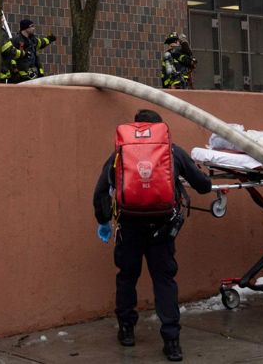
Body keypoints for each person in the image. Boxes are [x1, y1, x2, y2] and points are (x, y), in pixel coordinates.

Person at [93, 110, 211, 361]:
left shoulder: (120, 153)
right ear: (161, 130)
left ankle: (126, 330)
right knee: (164, 281)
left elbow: (101, 191)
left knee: (127, 277)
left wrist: (103, 221)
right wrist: (204, 177)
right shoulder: (172, 151)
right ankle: (172, 341)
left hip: (129, 226)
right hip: (162, 228)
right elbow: (203, 186)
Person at [10, 18, 57, 83]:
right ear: (26, 28)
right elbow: (11, 56)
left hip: (33, 74)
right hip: (21, 76)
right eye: (32, 26)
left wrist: (49, 39)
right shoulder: (16, 40)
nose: (34, 28)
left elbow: (41, 42)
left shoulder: (33, 39)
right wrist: (15, 71)